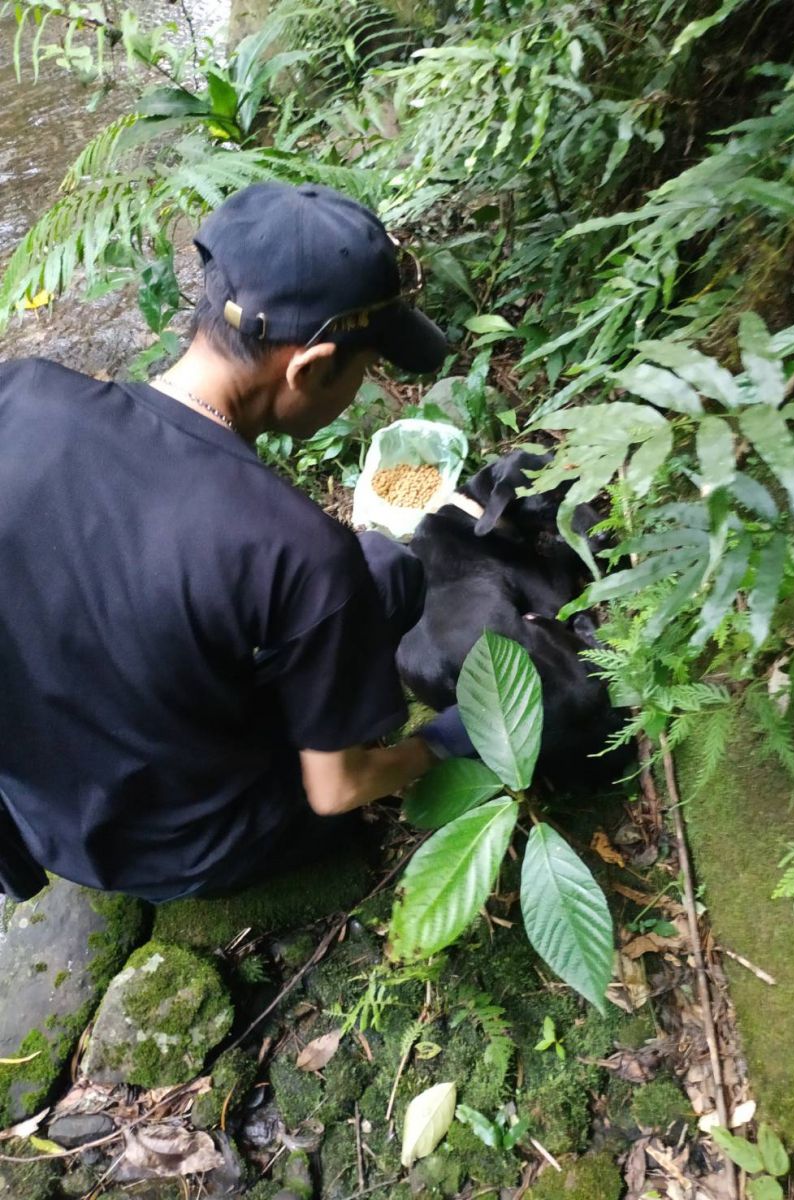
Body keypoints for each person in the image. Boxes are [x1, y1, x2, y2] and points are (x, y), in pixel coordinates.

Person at [0, 181, 472, 905]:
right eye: (367, 364)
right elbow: (337, 791)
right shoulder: (298, 551)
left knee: (369, 573)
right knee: (381, 569)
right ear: (309, 368)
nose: (365, 382)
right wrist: (439, 744)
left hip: (51, 817)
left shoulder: (20, 396)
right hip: (193, 849)